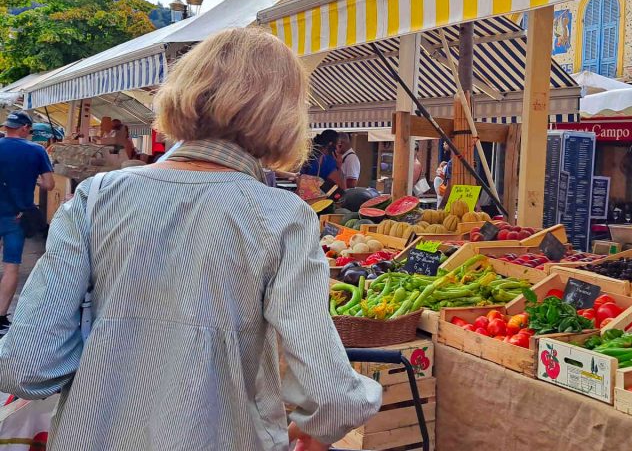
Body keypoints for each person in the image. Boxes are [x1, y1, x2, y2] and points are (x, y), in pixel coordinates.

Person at [0, 29, 381, 451]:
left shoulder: (96, 197)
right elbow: (332, 395)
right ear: (284, 115)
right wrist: (320, 427)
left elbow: (25, 365)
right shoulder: (283, 217)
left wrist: (110, 351)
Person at [0, 111, 55, 335]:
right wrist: (33, 179)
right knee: (11, 266)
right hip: (17, 215)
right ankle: (1, 316)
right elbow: (50, 185)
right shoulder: (36, 150)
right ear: (24, 128)